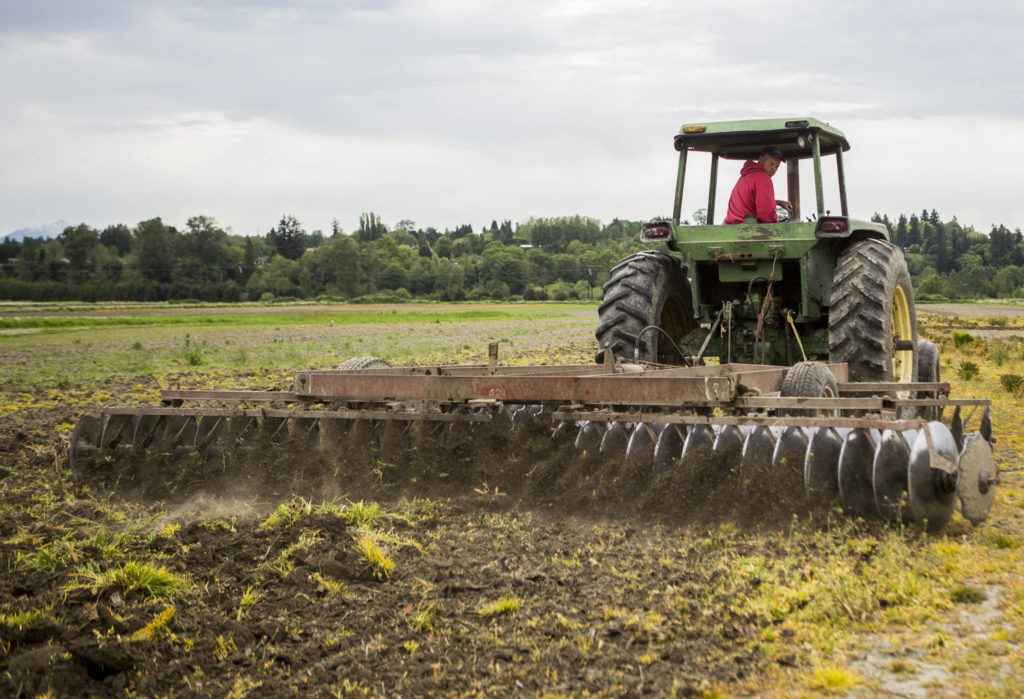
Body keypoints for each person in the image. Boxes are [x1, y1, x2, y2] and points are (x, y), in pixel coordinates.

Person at [723, 146, 793, 224]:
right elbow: (766, 214)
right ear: (761, 160)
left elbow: (751, 201)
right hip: (749, 230)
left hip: (733, 226)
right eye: (771, 164)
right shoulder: (763, 178)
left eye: (777, 166)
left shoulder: (745, 176)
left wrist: (778, 202)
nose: (774, 169)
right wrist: (777, 225)